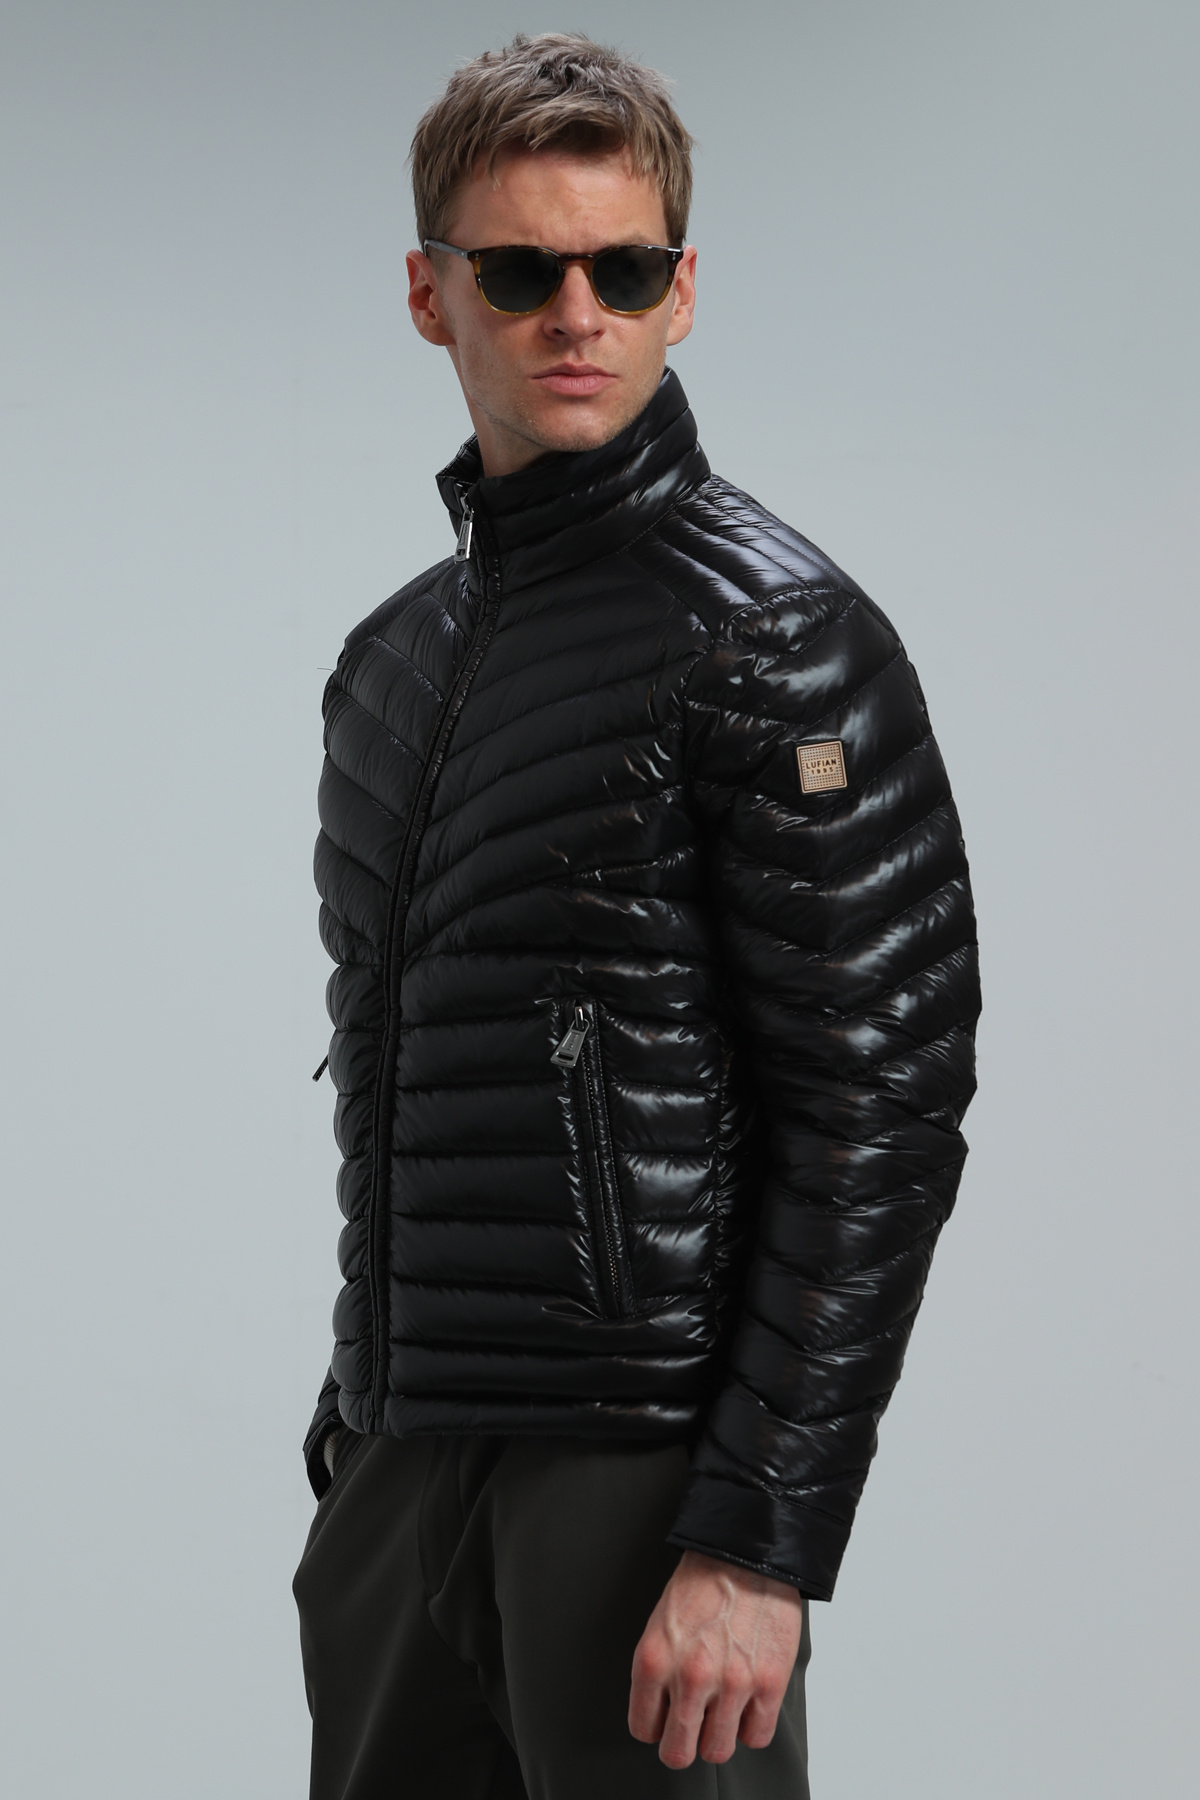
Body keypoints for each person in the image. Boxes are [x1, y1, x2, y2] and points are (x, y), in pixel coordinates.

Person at [292, 32, 980, 1800]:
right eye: (523, 272)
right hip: (403, 1473)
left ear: (686, 290)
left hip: (644, 1487)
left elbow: (880, 1113)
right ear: (433, 297)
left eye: (625, 268)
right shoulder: (390, 667)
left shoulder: (780, 639)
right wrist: (357, 1436)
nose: (576, 314)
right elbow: (403, 1080)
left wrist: (760, 1538)